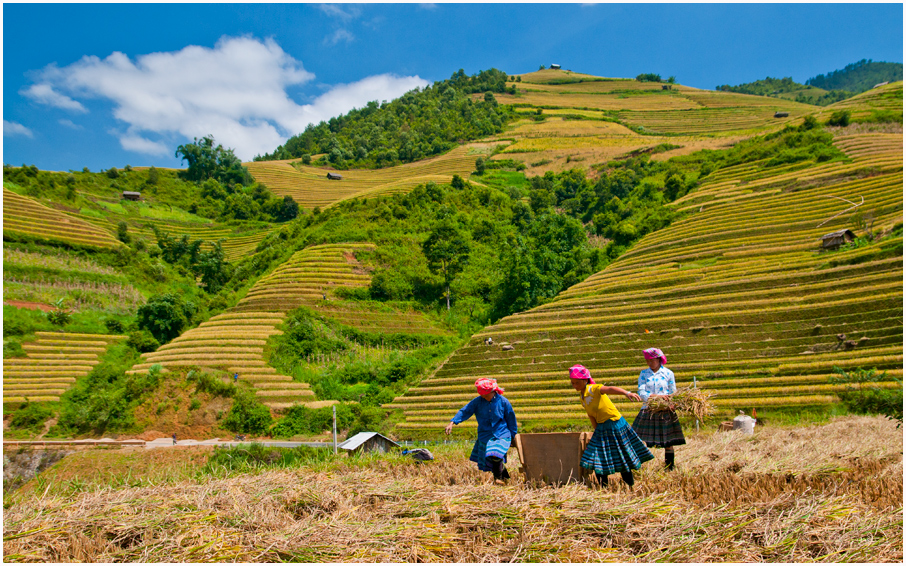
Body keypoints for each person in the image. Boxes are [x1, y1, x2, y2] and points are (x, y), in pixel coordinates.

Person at [569, 364, 653, 488]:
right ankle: (603, 487)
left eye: (576, 383)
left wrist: (626, 393)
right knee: (598, 457)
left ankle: (629, 486)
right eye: (572, 383)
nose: (574, 386)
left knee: (621, 455)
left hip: (615, 424)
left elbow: (609, 389)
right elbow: (591, 415)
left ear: (585, 380)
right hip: (602, 427)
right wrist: (596, 432)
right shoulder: (582, 397)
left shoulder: (593, 389)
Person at [445, 378, 518, 483]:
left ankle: (498, 479)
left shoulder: (503, 402)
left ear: (492, 392)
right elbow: (465, 411)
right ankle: (505, 479)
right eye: (483, 396)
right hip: (485, 435)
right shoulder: (477, 402)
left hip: (501, 434)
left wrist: (512, 435)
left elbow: (511, 419)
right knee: (491, 460)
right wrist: (452, 422)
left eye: (486, 395)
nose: (484, 397)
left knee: (495, 454)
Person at [632, 348, 685, 470]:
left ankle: (669, 467)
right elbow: (642, 392)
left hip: (665, 410)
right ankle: (639, 467)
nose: (649, 363)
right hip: (648, 409)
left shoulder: (668, 374)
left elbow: (673, 392)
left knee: (668, 442)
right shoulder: (643, 374)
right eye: (647, 361)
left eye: (652, 360)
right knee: (638, 440)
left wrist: (672, 403)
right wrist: (657, 397)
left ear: (658, 359)